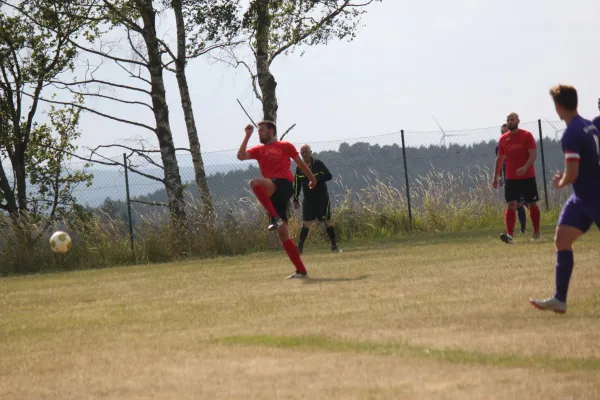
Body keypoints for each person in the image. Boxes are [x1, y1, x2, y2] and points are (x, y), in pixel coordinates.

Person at [530, 84, 600, 313]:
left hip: (593, 195)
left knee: (562, 240)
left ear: (559, 106)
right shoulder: (590, 125)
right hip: (582, 197)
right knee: (562, 239)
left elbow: (573, 174)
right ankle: (560, 299)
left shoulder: (571, 133)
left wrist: (560, 182)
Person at [237, 121, 317, 279]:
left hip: (284, 184)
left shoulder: (285, 145)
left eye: (261, 130)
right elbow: (240, 156)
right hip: (273, 192)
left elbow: (300, 164)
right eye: (258, 131)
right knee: (282, 233)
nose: (259, 133)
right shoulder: (259, 150)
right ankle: (301, 270)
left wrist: (312, 179)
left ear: (271, 131)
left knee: (254, 182)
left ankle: (274, 216)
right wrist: (247, 135)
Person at [492, 113, 541, 243]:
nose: (510, 122)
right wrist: (495, 176)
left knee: (531, 204)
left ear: (518, 121)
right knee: (511, 205)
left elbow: (533, 155)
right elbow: (499, 159)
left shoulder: (527, 136)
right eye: (508, 120)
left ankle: (536, 231)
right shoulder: (503, 139)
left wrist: (525, 167)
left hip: (528, 176)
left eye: (512, 119)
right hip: (511, 178)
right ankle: (510, 235)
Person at [293, 144, 341, 254]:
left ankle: (334, 245)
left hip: (322, 198)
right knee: (306, 223)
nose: (305, 154)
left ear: (311, 152)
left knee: (326, 221)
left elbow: (328, 176)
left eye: (306, 152)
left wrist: (315, 179)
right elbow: (297, 184)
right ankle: (300, 247)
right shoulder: (299, 168)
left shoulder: (318, 164)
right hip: (308, 200)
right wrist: (295, 199)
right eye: (302, 153)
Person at [495, 123, 528, 234]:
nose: (503, 134)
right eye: (501, 132)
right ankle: (511, 231)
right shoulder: (499, 147)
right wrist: (499, 176)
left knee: (518, 204)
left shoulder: (517, 144)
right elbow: (499, 163)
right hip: (508, 179)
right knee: (513, 204)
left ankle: (523, 229)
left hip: (519, 177)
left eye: (505, 131)